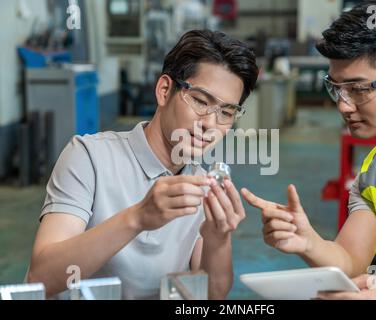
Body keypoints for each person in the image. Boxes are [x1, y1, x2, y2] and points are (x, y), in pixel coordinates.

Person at [27, 30, 259, 300]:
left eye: (226, 112)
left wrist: (218, 238)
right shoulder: (88, 158)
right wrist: (137, 218)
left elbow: (211, 295)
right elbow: (41, 278)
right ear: (164, 91)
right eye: (199, 101)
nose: (210, 123)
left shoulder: (201, 186)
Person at [242, 1, 376, 299]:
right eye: (336, 87)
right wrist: (308, 241)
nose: (342, 104)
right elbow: (351, 262)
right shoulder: (374, 171)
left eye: (359, 89)